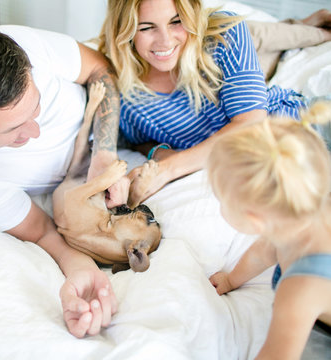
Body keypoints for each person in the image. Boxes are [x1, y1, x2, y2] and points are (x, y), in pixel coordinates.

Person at [0, 22, 129, 338]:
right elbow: (43, 232)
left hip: (113, 125)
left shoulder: (21, 44)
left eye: (36, 106)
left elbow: (100, 69)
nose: (35, 132)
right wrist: (82, 271)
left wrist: (104, 150)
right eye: (13, 131)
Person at [97, 0, 329, 207]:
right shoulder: (124, 97)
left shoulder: (225, 34)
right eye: (147, 27)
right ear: (125, 30)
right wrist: (159, 153)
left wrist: (168, 169)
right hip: (268, 168)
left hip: (305, 125)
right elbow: (140, 141)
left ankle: (310, 27)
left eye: (176, 21)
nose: (165, 40)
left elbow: (251, 124)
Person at [207, 102, 331, 359]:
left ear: (255, 221)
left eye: (221, 199)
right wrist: (231, 279)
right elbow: (262, 253)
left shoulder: (300, 288)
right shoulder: (299, 213)